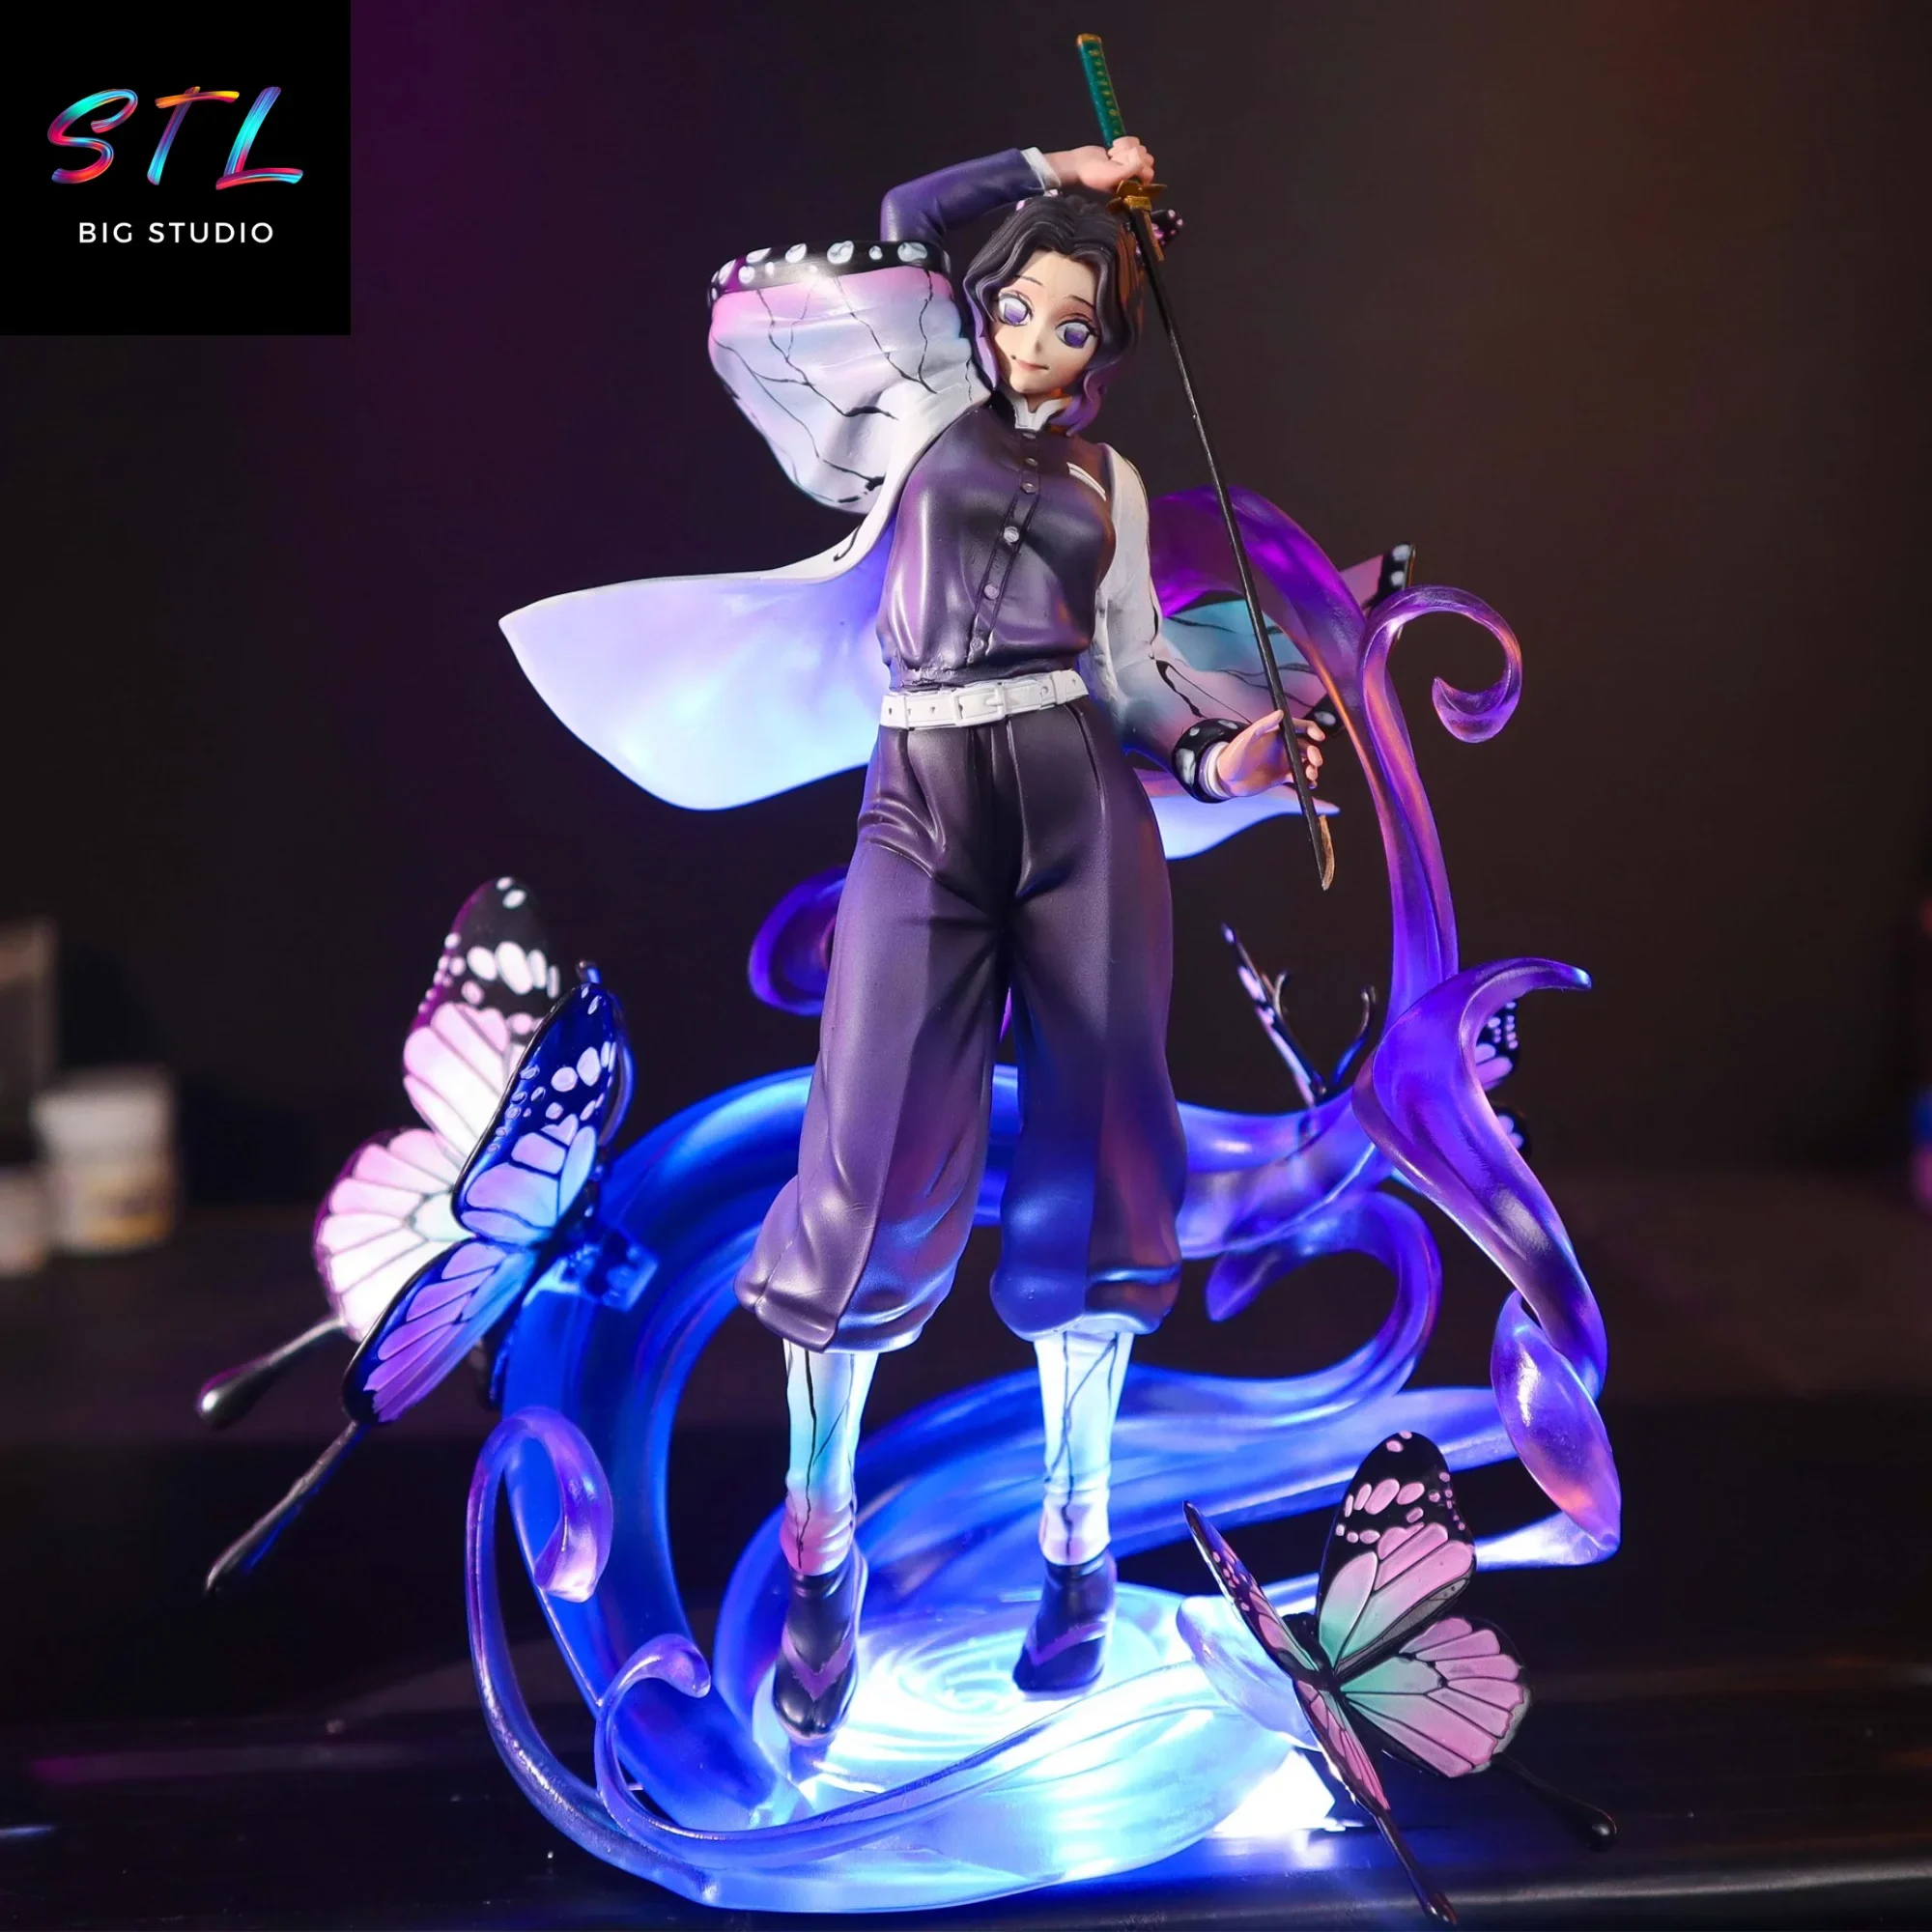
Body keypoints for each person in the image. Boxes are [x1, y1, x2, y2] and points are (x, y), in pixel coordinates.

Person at [502, 140, 1325, 1743]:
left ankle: (1078, 1545)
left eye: (1073, 323)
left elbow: (1136, 681)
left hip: (1083, 809)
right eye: (1016, 309)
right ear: (978, 311)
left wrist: (1224, 759)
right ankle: (821, 1550)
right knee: (868, 1165)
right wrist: (1059, 165)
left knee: (1102, 1160)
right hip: (925, 803)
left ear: (1106, 343)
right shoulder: (925, 409)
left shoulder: (1112, 487)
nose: (1035, 342)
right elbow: (904, 222)